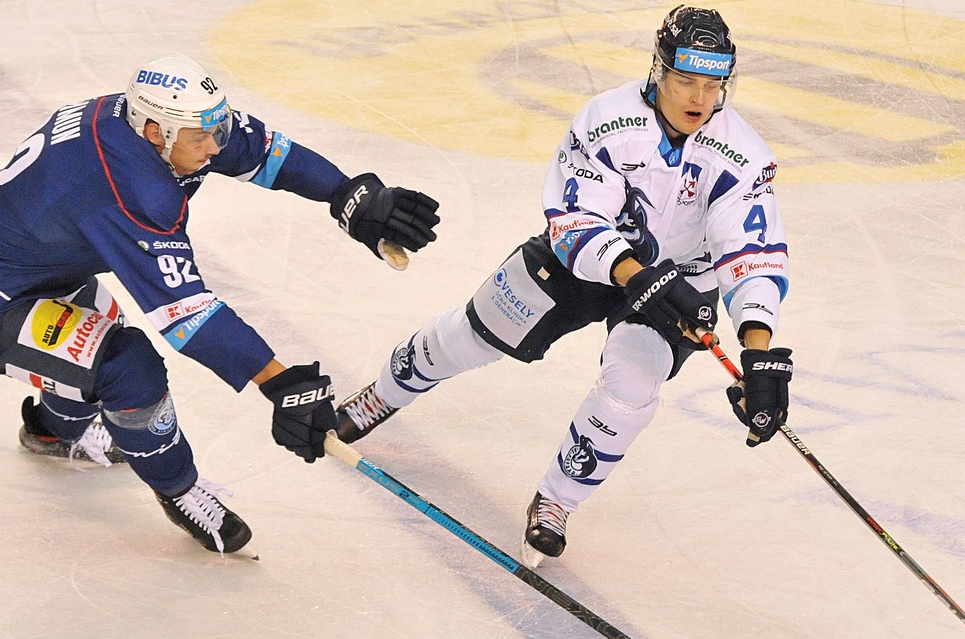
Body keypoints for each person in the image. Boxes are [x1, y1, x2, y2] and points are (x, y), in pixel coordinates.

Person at [0, 53, 440, 555]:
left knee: (86, 346)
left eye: (215, 129)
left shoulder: (136, 121)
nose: (216, 149)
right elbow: (187, 317)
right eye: (204, 138)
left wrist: (346, 195)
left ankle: (52, 430)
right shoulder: (132, 193)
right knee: (128, 368)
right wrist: (279, 382)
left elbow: (262, 150)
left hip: (8, 255)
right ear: (155, 132)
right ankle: (179, 488)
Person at [333, 6, 793, 565]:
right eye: (685, 80)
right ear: (659, 71)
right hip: (588, 262)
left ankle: (556, 500)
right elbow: (577, 223)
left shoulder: (743, 154)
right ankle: (385, 391)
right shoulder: (606, 120)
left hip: (681, 287)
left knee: (632, 392)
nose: (699, 98)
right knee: (476, 335)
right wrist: (641, 277)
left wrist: (758, 354)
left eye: (713, 84)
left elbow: (753, 253)